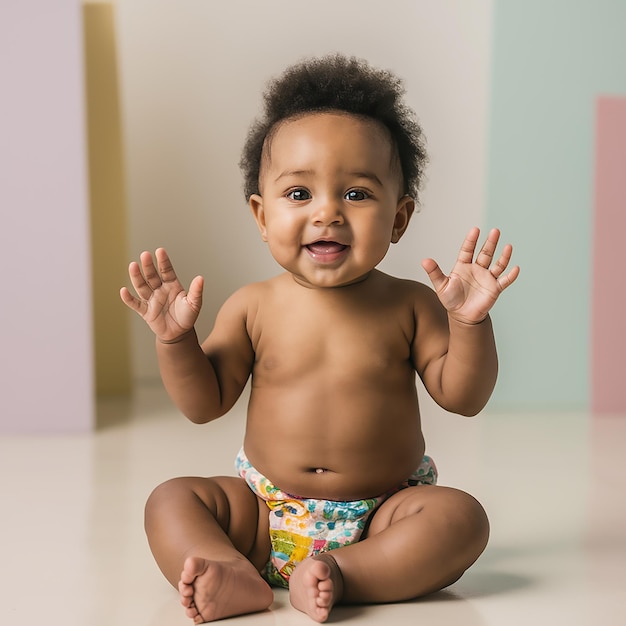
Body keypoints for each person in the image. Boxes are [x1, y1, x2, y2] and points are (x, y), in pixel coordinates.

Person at [120, 54, 519, 624]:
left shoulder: (409, 304)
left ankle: (345, 574)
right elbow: (204, 404)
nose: (327, 212)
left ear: (399, 219)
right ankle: (228, 568)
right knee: (172, 499)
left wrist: (470, 323)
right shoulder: (252, 306)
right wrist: (175, 341)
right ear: (261, 215)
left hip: (384, 514)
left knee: (462, 519)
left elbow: (464, 396)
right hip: (263, 513)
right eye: (299, 194)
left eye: (357, 194)